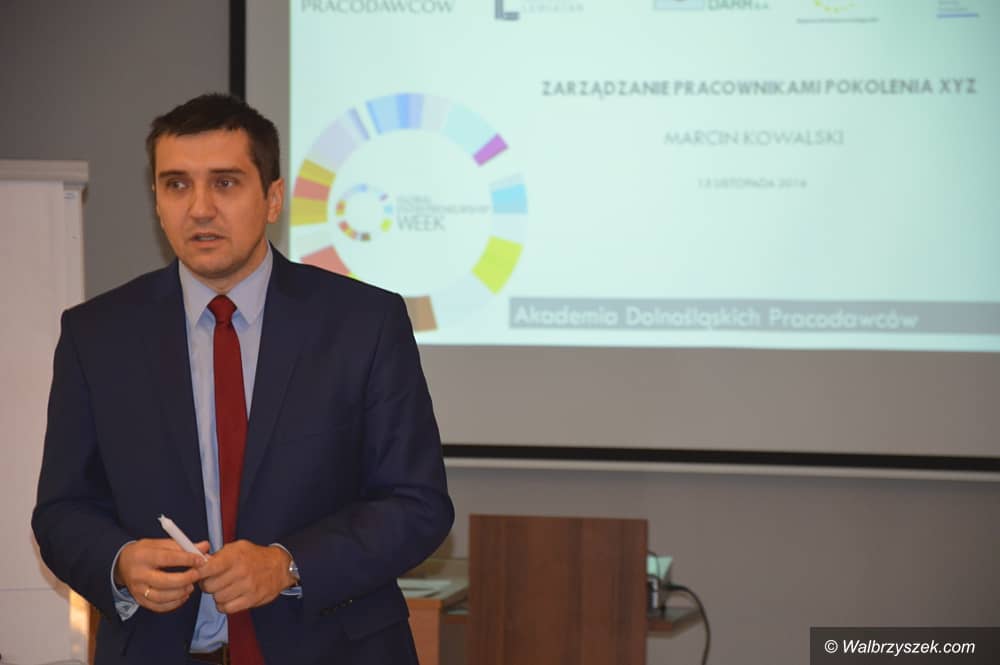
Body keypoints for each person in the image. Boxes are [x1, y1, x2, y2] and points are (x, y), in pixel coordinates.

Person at [32, 93, 454, 665]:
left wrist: (288, 565)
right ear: (156, 200)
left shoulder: (363, 323)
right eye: (176, 185)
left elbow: (417, 503)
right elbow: (62, 511)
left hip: (333, 649)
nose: (200, 208)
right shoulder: (98, 334)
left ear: (273, 198)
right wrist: (120, 562)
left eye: (225, 183)